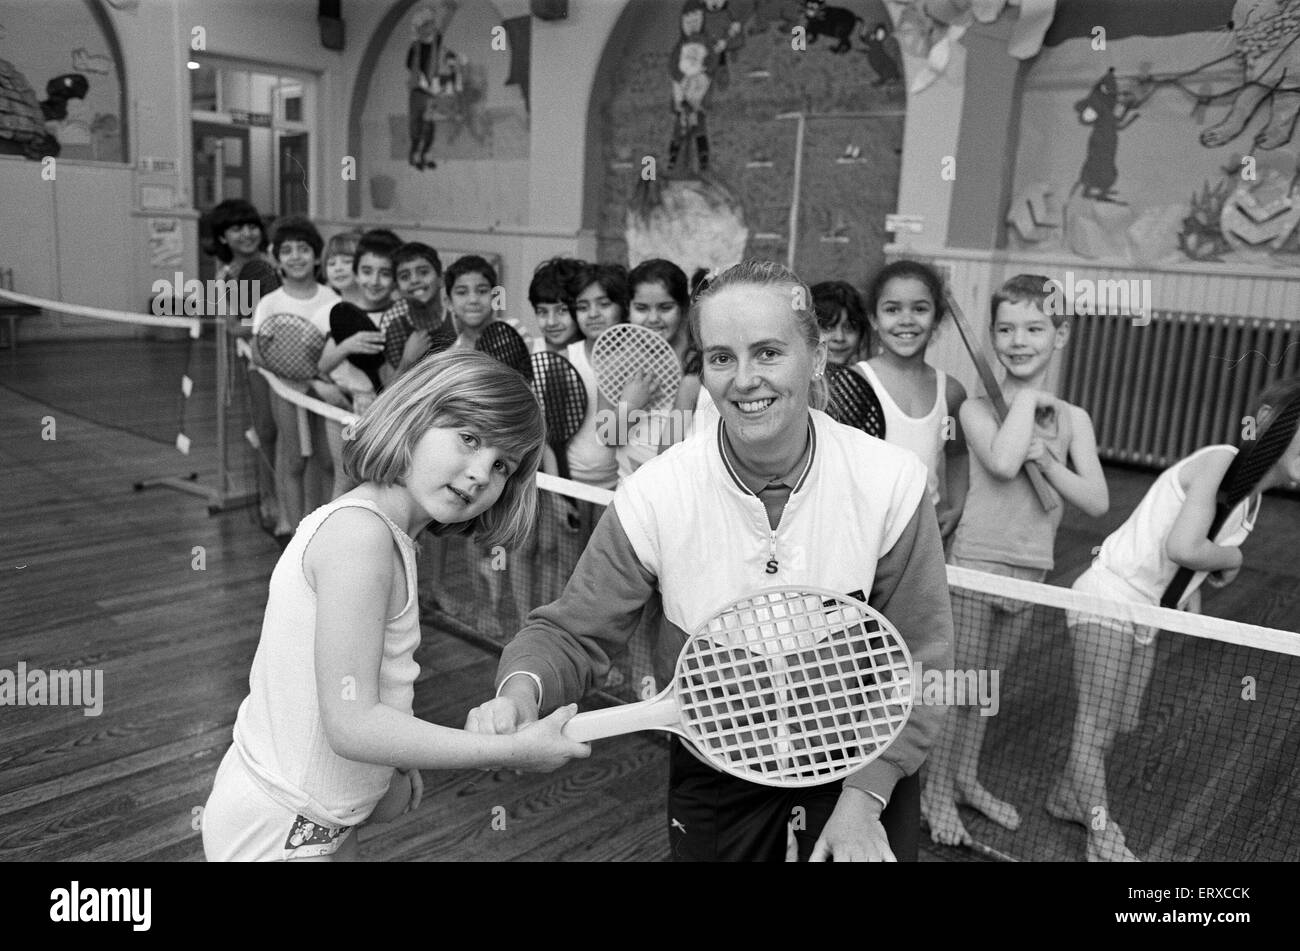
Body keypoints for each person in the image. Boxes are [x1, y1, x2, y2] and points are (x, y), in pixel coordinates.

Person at [465, 260, 954, 862]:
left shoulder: (893, 484)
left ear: (817, 357)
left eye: (769, 352)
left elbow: (921, 663)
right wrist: (518, 696)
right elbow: (569, 633)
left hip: (860, 775)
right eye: (721, 357)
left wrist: (864, 798)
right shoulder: (655, 494)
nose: (744, 379)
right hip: (715, 773)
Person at [202, 350, 590, 861]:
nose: (479, 474)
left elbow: (352, 697)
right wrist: (508, 751)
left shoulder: (388, 535)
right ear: (414, 416)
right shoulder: (359, 537)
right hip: (283, 827)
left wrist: (387, 769)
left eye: (501, 465)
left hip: (314, 820)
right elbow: (352, 725)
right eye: (469, 439)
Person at [1051, 376, 1300, 862]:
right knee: (1096, 725)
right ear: (1273, 427)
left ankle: (1066, 795)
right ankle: (1102, 835)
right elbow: (1183, 547)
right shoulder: (1221, 460)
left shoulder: (1251, 502)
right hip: (1110, 594)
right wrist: (1232, 561)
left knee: (1120, 722)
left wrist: (1193, 592)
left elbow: (1184, 564)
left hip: (1150, 610)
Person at [921, 273, 1108, 850]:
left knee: (987, 690)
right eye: (1005, 328)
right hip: (975, 564)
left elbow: (1097, 502)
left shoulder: (1074, 419)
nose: (1018, 339)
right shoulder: (977, 409)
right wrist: (1026, 401)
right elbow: (1003, 464)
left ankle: (965, 778)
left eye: (1035, 327)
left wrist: (1051, 464)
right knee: (959, 688)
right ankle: (933, 798)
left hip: (1033, 571)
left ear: (1061, 335)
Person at [857, 260, 968, 541]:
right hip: (864, 527)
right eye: (892, 309)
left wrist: (956, 504)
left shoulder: (951, 393)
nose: (906, 320)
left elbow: (956, 451)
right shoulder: (857, 382)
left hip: (922, 529)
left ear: (937, 319)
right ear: (873, 318)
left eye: (919, 309)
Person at [249, 216, 341, 540]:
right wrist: (301, 375)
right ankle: (291, 527)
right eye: (287, 250)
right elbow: (259, 352)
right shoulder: (270, 303)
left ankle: (323, 527)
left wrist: (319, 380)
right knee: (295, 460)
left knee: (328, 461)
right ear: (277, 259)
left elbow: (337, 348)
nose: (296, 256)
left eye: (304, 249)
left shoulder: (332, 298)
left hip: (323, 393)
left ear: (317, 257)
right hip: (286, 392)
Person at [202, 198, 281, 533]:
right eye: (236, 229)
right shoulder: (226, 277)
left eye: (251, 226)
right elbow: (234, 326)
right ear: (222, 237)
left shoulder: (276, 261)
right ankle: (270, 500)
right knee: (266, 432)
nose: (247, 234)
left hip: (302, 361)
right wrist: (273, 324)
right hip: (260, 364)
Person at [609, 258, 702, 481]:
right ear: (628, 309)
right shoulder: (618, 361)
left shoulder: (696, 366)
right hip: (628, 489)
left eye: (665, 307)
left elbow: (676, 447)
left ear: (683, 308)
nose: (653, 318)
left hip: (677, 490)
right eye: (641, 308)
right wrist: (630, 405)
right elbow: (609, 437)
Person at [529, 257, 586, 354]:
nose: (551, 322)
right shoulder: (527, 352)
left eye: (562, 310)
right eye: (542, 312)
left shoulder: (595, 355)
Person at [811, 279, 869, 366]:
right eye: (827, 327)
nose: (839, 338)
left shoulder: (861, 377)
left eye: (849, 328)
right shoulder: (791, 378)